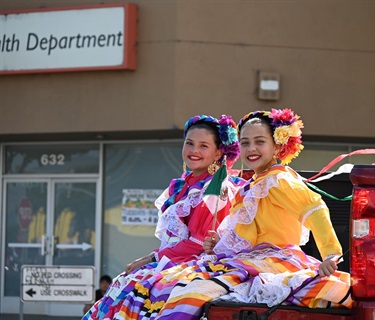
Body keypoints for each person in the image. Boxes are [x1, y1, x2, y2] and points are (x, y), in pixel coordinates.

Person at [84, 108, 351, 320]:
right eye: (245, 143)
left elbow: (314, 208)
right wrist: (217, 245)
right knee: (170, 286)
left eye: (260, 142)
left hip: (276, 258)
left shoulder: (278, 180)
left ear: (279, 146)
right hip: (252, 258)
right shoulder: (253, 184)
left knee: (184, 290)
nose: (251, 149)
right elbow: (246, 234)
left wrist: (330, 253)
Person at [83, 114, 244, 319]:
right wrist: (152, 257)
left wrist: (154, 257)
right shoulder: (184, 184)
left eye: (204, 146)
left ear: (218, 152)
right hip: (177, 257)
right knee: (124, 283)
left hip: (198, 259)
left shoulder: (215, 189)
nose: (194, 150)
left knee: (138, 289)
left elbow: (198, 242)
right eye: (189, 143)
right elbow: (175, 239)